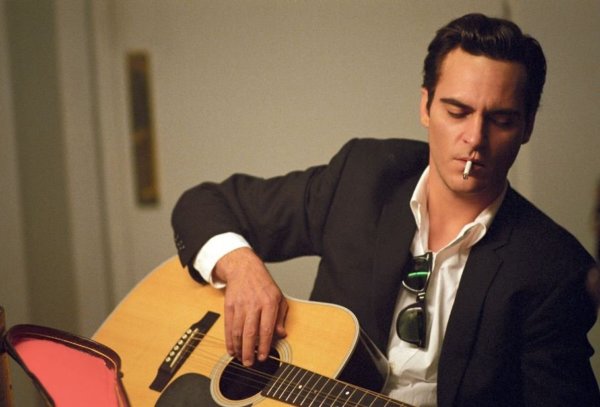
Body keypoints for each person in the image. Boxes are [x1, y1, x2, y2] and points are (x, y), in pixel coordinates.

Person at [171, 13, 600, 406]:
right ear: (425, 106)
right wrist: (241, 269)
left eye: (502, 120)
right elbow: (203, 204)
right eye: (457, 112)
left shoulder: (554, 269)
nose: (475, 138)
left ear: (527, 127)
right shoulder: (363, 175)